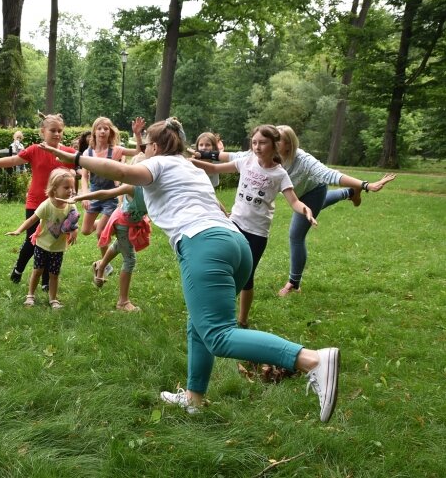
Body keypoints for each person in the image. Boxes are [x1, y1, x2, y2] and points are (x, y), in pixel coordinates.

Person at [38, 118, 340, 423]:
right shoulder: (189, 167)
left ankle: (312, 360)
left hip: (204, 245)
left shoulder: (158, 165)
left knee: (218, 334)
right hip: (236, 244)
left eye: (147, 146)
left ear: (154, 147)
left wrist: (73, 157)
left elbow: (120, 171)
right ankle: (194, 399)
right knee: (199, 324)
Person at [193, 125, 396, 296]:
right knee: (316, 206)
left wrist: (368, 184)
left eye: (276, 140)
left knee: (296, 235)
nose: (267, 143)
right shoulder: (260, 156)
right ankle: (350, 192)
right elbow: (228, 156)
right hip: (295, 196)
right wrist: (201, 154)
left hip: (313, 192)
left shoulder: (302, 159)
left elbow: (329, 174)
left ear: (288, 144)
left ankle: (294, 282)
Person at [191, 125, 317, 328]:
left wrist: (306, 210)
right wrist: (189, 162)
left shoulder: (279, 174)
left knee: (246, 277)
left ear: (275, 145)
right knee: (224, 268)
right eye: (255, 142)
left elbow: (294, 201)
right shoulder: (246, 161)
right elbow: (214, 168)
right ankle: (216, 312)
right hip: (234, 224)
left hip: (257, 233)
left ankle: (242, 321)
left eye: (263, 143)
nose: (257, 147)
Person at [0, 114, 75, 292]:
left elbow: (83, 169)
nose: (57, 134)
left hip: (59, 205)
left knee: (52, 239)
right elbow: (13, 160)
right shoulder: (35, 150)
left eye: (60, 131)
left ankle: (45, 281)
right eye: (52, 130)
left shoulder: (69, 153)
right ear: (43, 132)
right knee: (33, 239)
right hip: (36, 202)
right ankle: (18, 270)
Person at [63, 152, 151, 312]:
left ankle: (100, 265)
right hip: (123, 224)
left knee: (118, 246)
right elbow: (106, 193)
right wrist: (81, 197)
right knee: (129, 260)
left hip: (130, 222)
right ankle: (123, 302)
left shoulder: (152, 187)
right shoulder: (132, 186)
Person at [79, 116, 145, 277]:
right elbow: (85, 177)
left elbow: (138, 151)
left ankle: (104, 265)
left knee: (100, 232)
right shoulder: (87, 153)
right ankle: (111, 224)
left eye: (106, 128)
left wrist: (137, 134)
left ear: (110, 132)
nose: (102, 131)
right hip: (94, 194)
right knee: (86, 230)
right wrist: (85, 195)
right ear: (94, 132)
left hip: (110, 197)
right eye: (99, 128)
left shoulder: (115, 151)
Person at [5, 168, 79, 309]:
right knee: (37, 271)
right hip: (42, 245)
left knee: (54, 274)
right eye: (66, 187)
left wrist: (74, 231)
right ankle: (30, 296)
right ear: (55, 189)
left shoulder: (70, 205)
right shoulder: (46, 205)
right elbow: (32, 219)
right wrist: (19, 230)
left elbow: (73, 221)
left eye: (72, 187)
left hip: (58, 247)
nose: (70, 190)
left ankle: (53, 299)